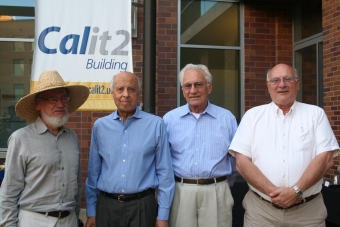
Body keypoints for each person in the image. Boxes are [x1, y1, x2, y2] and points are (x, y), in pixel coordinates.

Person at [229, 63, 340, 227]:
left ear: (297, 83)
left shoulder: (316, 114)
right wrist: (274, 194)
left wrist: (295, 191)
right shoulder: (252, 116)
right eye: (275, 80)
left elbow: (325, 159)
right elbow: (242, 162)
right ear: (268, 86)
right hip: (262, 212)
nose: (281, 85)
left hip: (307, 212)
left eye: (288, 79)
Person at [0, 70, 90, 227]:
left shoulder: (72, 137)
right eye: (53, 99)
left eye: (64, 98)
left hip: (69, 221)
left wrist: (75, 219)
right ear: (37, 104)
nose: (60, 104)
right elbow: (9, 192)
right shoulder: (21, 139)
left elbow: (77, 185)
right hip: (34, 220)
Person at [85, 71, 175, 227]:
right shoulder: (100, 127)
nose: (125, 94)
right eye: (120, 89)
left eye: (131, 89)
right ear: (112, 93)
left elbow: (165, 173)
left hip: (142, 207)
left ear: (139, 93)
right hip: (107, 207)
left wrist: (163, 215)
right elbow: (94, 173)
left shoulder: (155, 125)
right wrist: (91, 211)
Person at [163, 64, 238, 227]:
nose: (193, 90)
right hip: (181, 191)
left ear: (209, 87)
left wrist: (222, 184)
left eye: (198, 84)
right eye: (187, 86)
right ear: (183, 90)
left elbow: (236, 160)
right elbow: (163, 161)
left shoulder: (227, 119)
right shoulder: (169, 120)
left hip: (217, 191)